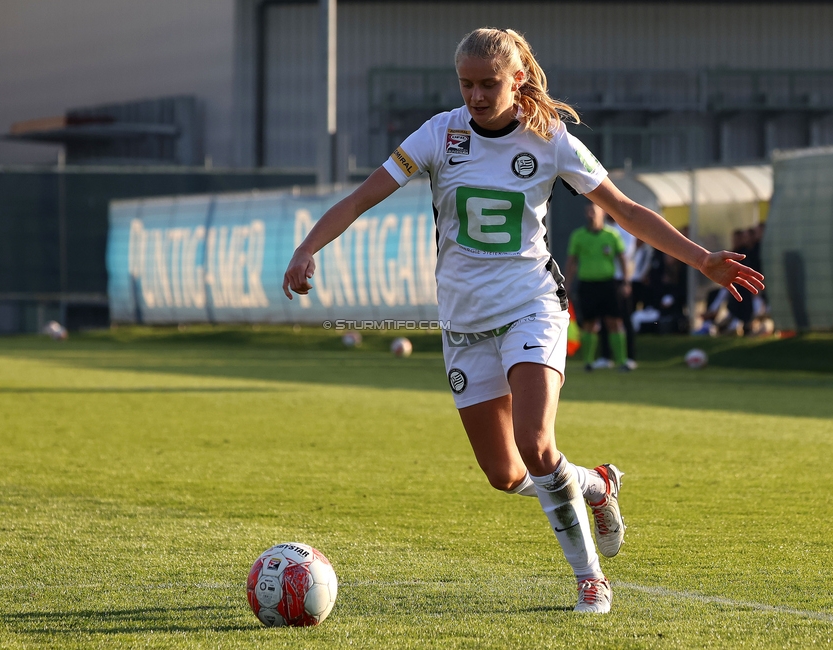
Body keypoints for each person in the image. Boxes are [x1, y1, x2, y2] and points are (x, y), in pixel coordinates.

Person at [283, 28, 763, 614]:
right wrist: (309, 247)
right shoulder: (439, 133)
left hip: (531, 305)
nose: (478, 96)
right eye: (467, 84)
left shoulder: (550, 139)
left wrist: (700, 258)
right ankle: (596, 484)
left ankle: (590, 578)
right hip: (464, 325)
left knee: (536, 444)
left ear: (517, 79)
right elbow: (361, 198)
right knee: (506, 475)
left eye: (489, 84)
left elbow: (626, 209)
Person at [565, 204, 633, 372]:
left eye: (594, 211)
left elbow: (623, 259)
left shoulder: (612, 235)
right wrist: (567, 285)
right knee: (589, 323)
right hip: (587, 284)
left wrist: (626, 281)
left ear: (602, 213)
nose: (591, 214)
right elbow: (572, 262)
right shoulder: (578, 236)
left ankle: (622, 361)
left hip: (608, 283)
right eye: (588, 211)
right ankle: (588, 362)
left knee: (614, 321)